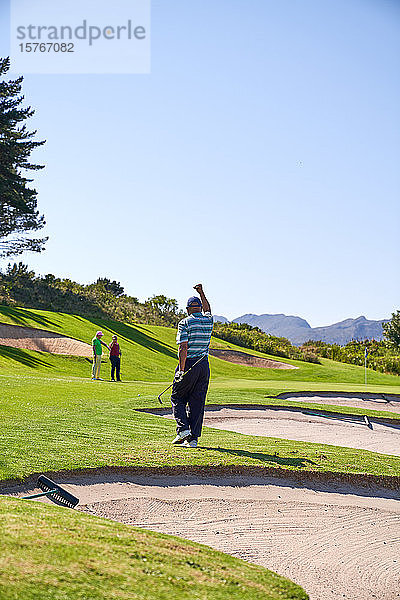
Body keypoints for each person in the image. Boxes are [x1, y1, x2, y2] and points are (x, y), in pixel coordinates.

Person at [171, 283, 213, 448]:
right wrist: (202, 292)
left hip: (188, 364)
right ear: (201, 308)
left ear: (188, 309)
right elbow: (208, 308)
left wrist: (181, 370)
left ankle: (183, 430)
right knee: (197, 402)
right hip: (203, 366)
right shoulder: (209, 319)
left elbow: (183, 347)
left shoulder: (184, 323)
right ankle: (193, 440)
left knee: (177, 397)